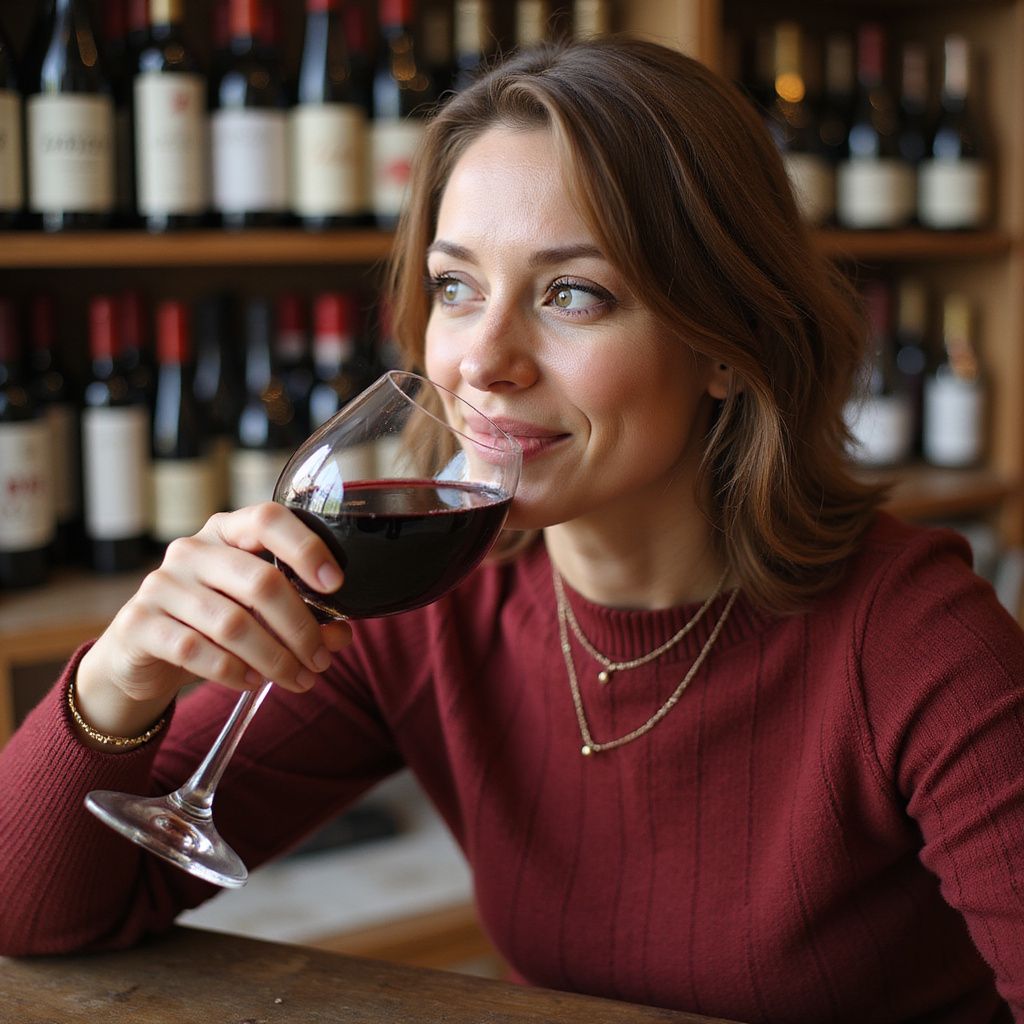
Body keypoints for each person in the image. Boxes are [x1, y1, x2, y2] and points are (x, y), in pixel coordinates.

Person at [2, 35, 1023, 1023]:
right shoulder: (429, 602)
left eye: (571, 293)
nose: (482, 361)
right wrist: (113, 690)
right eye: (456, 286)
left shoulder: (915, 641)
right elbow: (38, 915)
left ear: (727, 342)